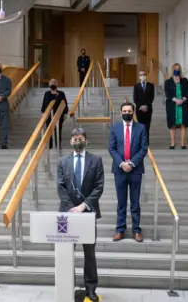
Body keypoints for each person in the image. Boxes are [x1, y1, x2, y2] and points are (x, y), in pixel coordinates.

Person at [57, 127, 104, 302]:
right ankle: (66, 287)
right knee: (66, 252)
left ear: (86, 140)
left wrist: (83, 206)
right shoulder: (62, 161)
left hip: (88, 213)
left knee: (89, 253)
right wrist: (72, 208)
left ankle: (90, 289)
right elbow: (61, 187)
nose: (78, 141)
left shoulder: (96, 160)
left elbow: (99, 186)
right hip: (66, 214)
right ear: (71, 141)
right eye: (75, 138)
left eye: (81, 138)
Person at [109, 102, 148, 242]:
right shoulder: (115, 128)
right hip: (119, 170)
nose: (127, 113)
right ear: (120, 113)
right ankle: (120, 230)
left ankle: (136, 230)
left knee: (135, 202)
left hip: (135, 170)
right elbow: (111, 148)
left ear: (133, 112)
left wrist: (131, 163)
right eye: (124, 111)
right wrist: (122, 163)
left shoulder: (141, 128)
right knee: (121, 202)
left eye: (129, 111)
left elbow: (144, 148)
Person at [164, 63, 188, 149]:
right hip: (172, 105)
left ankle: (183, 143)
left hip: (183, 105)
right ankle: (173, 143)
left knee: (183, 124)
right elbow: (167, 93)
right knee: (173, 124)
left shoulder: (185, 80)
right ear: (172, 70)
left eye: (178, 68)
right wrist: (176, 100)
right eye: (175, 68)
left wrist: (182, 100)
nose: (177, 70)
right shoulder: (168, 82)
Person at [41, 78, 69, 148]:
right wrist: (43, 112)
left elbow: (64, 103)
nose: (52, 84)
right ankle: (49, 146)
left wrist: (65, 112)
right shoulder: (47, 94)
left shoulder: (61, 93)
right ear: (49, 85)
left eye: (54, 83)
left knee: (58, 131)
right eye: (51, 83)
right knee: (49, 131)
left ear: (57, 84)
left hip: (58, 115)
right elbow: (44, 104)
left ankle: (58, 145)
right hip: (49, 115)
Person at [133, 70, 154, 144]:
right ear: (139, 76)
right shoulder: (136, 86)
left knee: (147, 127)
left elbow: (151, 98)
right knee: (139, 127)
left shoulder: (151, 86)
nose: (143, 76)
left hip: (148, 109)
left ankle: (146, 142)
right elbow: (135, 99)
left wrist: (146, 106)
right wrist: (141, 106)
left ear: (146, 75)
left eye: (144, 74)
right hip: (139, 110)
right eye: (141, 75)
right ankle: (140, 142)